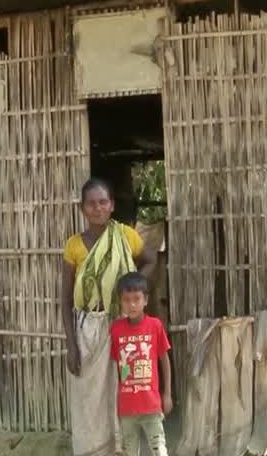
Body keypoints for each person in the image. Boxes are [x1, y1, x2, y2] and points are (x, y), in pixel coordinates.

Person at [62, 178, 156, 456]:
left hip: (121, 326)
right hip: (87, 330)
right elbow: (66, 299)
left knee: (122, 391)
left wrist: (133, 292)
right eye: (91, 203)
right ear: (82, 208)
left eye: (103, 202)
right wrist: (71, 344)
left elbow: (151, 259)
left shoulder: (125, 236)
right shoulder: (73, 246)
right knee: (87, 397)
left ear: (112, 205)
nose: (98, 208)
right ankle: (91, 450)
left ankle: (121, 449)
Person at [110, 272, 172, 456]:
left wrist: (167, 394)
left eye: (137, 299)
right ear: (120, 302)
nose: (132, 304)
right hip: (126, 408)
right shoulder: (115, 329)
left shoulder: (155, 326)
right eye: (127, 300)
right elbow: (115, 367)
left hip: (151, 405)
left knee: (159, 449)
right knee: (130, 451)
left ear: (146, 300)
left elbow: (164, 359)